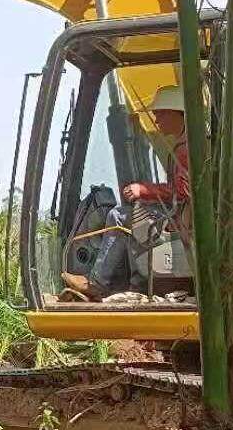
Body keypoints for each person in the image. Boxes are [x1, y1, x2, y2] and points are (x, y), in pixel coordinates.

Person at [62, 85, 189, 300]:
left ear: (176, 113)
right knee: (136, 218)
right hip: (181, 214)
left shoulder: (187, 149)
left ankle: (97, 283)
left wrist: (144, 190)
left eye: (160, 115)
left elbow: (186, 190)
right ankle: (137, 285)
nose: (156, 121)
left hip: (181, 220)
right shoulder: (186, 143)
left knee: (119, 216)